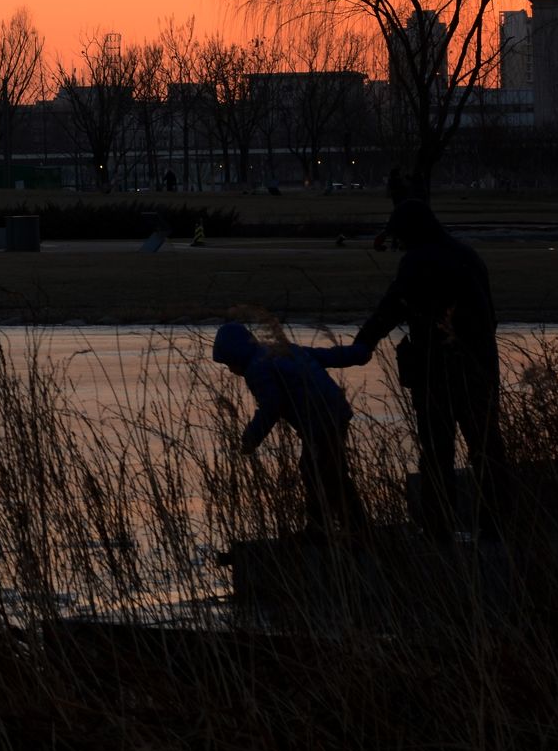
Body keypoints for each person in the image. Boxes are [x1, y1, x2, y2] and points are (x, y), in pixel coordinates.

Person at [352, 198, 508, 539]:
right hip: (482, 368)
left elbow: (394, 305)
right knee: (487, 448)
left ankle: (438, 529)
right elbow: (490, 317)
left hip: (439, 374)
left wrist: (364, 343)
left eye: (399, 237)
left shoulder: (418, 260)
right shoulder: (468, 255)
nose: (397, 245)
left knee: (438, 453)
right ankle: (498, 524)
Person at [212, 321, 371, 540]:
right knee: (323, 469)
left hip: (319, 420)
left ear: (236, 356)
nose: (230, 369)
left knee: (321, 471)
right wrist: (360, 353)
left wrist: (251, 438)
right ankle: (335, 525)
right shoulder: (282, 351)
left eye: (229, 363)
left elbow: (271, 406)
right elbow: (329, 356)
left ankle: (345, 526)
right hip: (335, 412)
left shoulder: (257, 368)